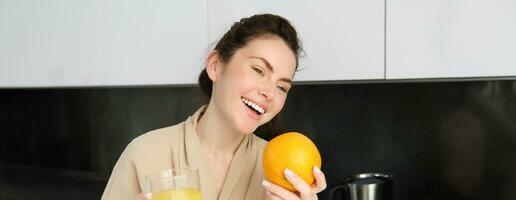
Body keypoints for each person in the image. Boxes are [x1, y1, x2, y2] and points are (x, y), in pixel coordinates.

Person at [101, 14, 327, 200]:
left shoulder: (285, 178)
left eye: (281, 87)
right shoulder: (145, 154)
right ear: (215, 66)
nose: (269, 92)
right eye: (259, 70)